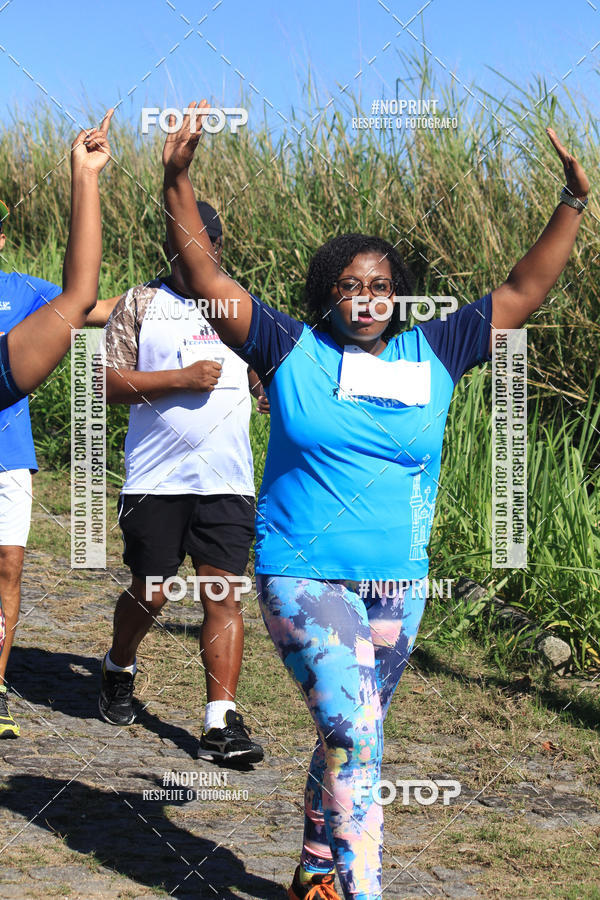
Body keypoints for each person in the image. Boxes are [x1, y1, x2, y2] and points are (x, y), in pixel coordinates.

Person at [162, 103, 588, 900]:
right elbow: (205, 279)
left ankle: (316, 870)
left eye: (382, 286)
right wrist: (177, 181)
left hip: (399, 586)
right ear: (328, 293)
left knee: (350, 735)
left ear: (398, 296)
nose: (367, 298)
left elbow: (525, 286)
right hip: (303, 577)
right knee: (357, 730)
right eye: (351, 287)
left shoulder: (439, 350)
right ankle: (363, 889)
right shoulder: (289, 348)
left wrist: (572, 202)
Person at [98, 203, 266, 765]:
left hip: (228, 480)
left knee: (222, 593)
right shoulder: (140, 303)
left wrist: (267, 391)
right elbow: (107, 383)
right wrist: (180, 380)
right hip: (156, 479)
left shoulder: (242, 308)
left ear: (218, 244)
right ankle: (119, 665)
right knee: (152, 590)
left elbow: (269, 377)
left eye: (199, 240)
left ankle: (221, 721)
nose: (188, 250)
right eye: (178, 240)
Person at [0, 112, 114, 738]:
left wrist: (184, 297)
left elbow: (85, 299)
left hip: (7, 455)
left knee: (7, 568)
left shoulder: (20, 304)